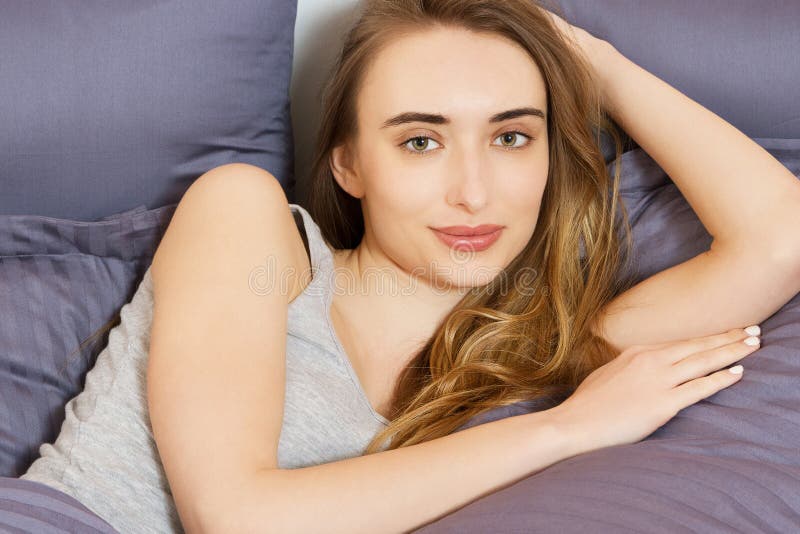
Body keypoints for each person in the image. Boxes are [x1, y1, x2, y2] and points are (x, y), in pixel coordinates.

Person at [22, 0, 800, 532]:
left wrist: (588, 61)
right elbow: (238, 518)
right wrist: (569, 430)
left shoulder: (549, 348)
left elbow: (781, 240)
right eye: (420, 141)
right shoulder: (252, 227)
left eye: (511, 137)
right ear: (349, 166)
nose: (472, 192)